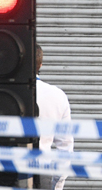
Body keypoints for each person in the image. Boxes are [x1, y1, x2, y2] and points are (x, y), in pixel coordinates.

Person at [35, 45, 73, 190]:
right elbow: (66, 148)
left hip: (3, 173)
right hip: (41, 174)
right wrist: (57, 185)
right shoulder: (57, 96)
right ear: (40, 65)